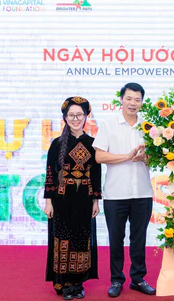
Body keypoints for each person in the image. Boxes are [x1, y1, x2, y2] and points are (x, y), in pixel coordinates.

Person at [93, 82, 156, 297]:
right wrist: (127, 157)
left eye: (137, 100)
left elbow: (156, 158)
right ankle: (117, 280)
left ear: (142, 102)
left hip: (143, 193)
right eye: (129, 98)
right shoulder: (109, 124)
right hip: (115, 194)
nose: (133, 103)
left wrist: (145, 157)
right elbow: (99, 156)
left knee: (139, 239)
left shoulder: (149, 127)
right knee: (116, 239)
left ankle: (138, 279)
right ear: (121, 99)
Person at [44, 96, 102, 300]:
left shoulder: (93, 143)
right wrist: (48, 201)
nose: (75, 118)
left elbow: (96, 175)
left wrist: (96, 201)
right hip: (61, 201)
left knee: (81, 239)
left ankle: (77, 283)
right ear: (65, 118)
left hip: (84, 200)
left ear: (86, 116)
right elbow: (50, 173)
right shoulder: (57, 143)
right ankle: (63, 283)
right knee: (62, 239)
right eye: (71, 115)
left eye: (79, 115)